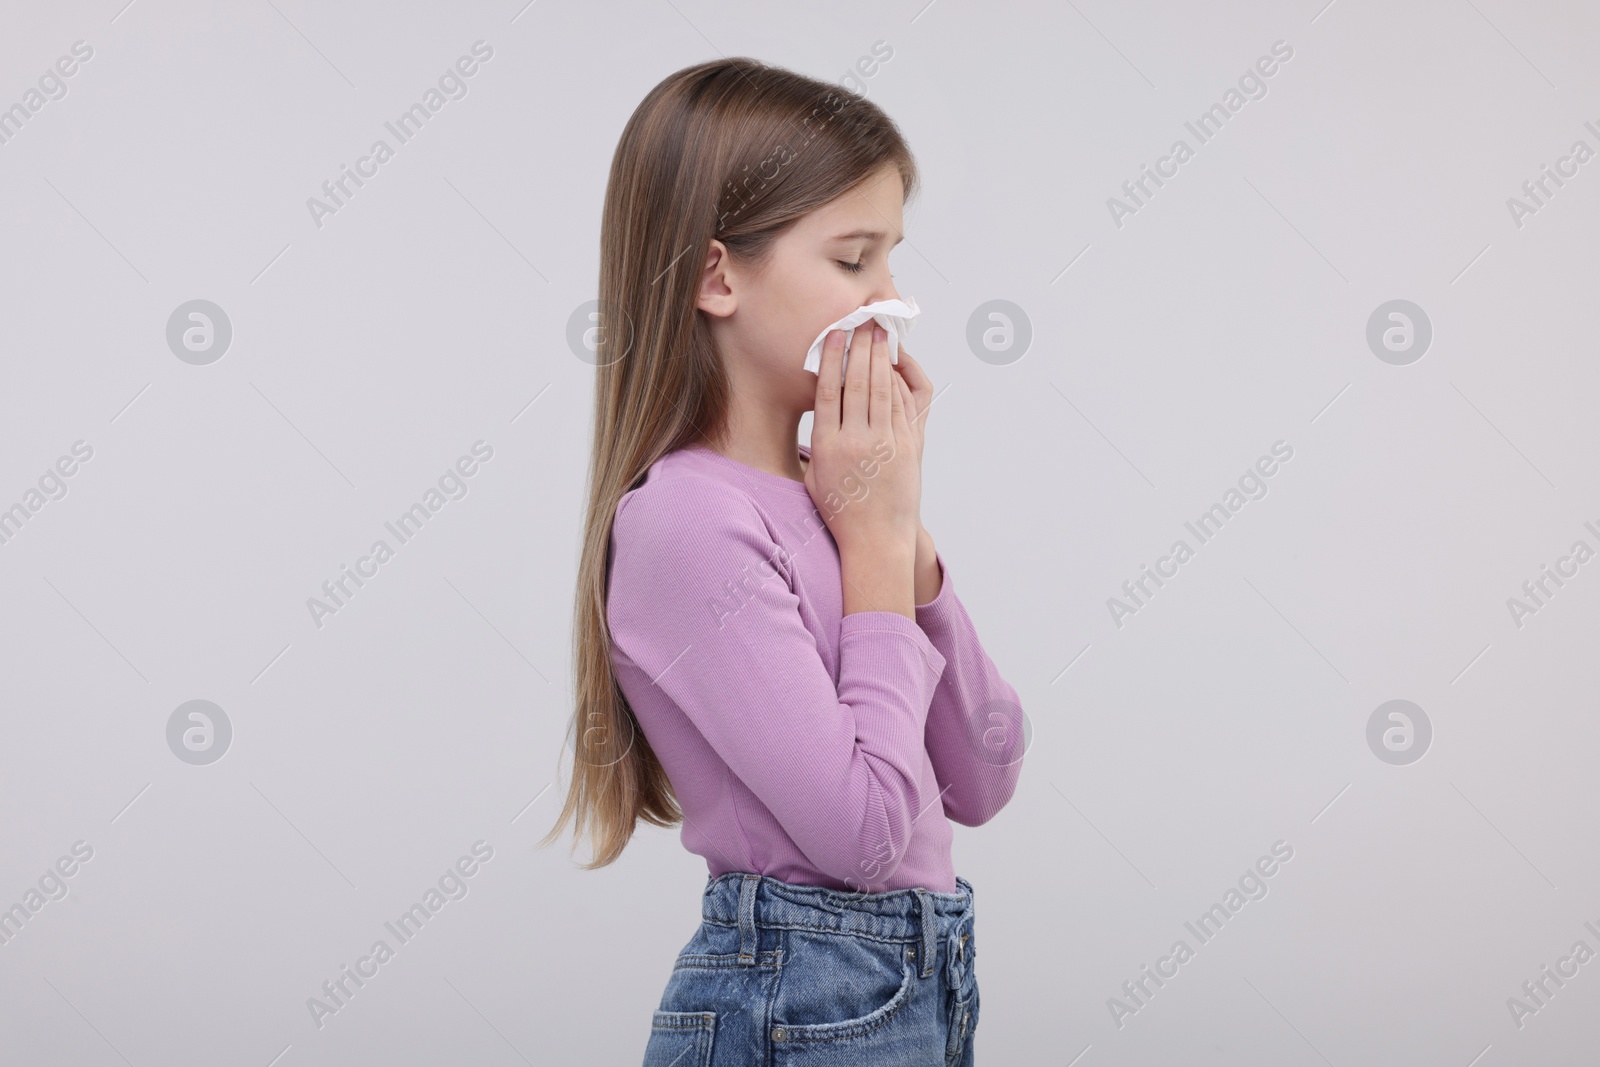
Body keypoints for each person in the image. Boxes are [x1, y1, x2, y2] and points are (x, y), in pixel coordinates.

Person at [539, 56, 1026, 1065]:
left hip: (915, 979)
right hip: (803, 996)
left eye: (891, 259)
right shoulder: (687, 525)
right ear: (718, 275)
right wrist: (878, 546)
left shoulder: (843, 507)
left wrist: (905, 545)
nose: (893, 301)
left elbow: (982, 773)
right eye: (854, 260)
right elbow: (872, 840)